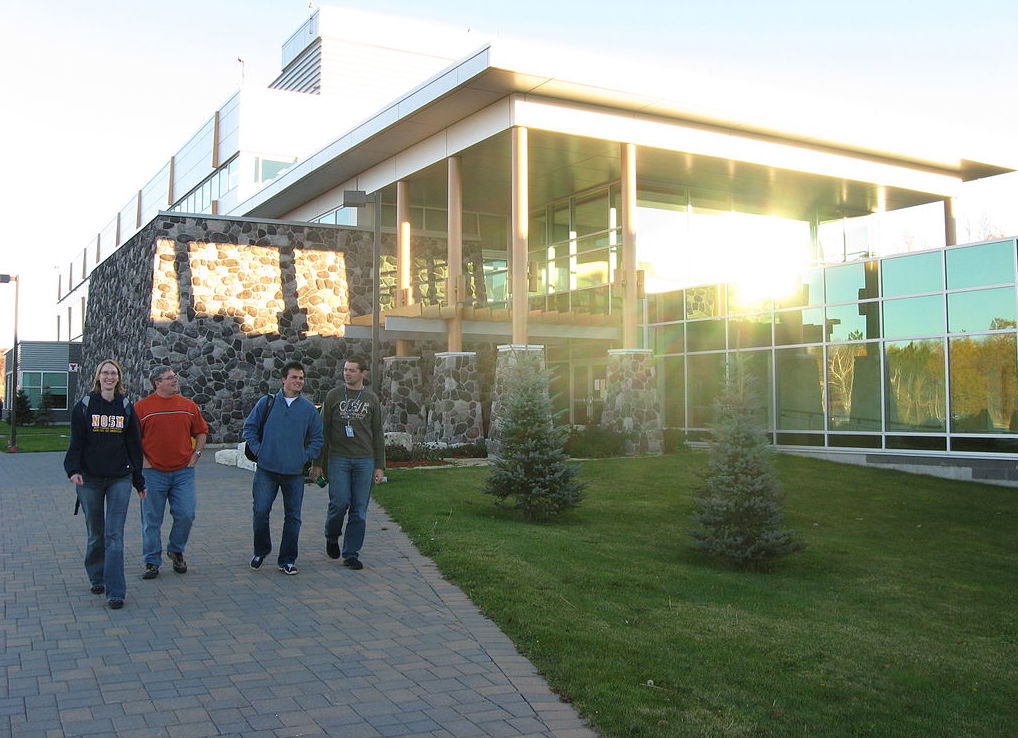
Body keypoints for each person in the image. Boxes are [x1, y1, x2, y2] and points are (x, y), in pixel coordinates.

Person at [63, 359, 147, 610]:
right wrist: (73, 470)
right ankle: (96, 576)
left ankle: (116, 592)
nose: (109, 377)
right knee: (96, 534)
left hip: (119, 478)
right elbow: (76, 442)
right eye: (105, 373)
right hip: (89, 480)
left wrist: (138, 480)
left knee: (114, 535)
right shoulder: (85, 406)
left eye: (114, 373)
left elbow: (134, 446)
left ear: (119, 378)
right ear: (98, 377)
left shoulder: (126, 407)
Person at [243, 361, 323, 575]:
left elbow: (317, 438)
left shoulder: (308, 409)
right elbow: (249, 428)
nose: (298, 381)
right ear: (283, 380)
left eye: (301, 378)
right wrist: (259, 449)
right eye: (294, 377)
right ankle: (261, 551)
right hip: (266, 470)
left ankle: (287, 559)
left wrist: (305, 456)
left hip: (294, 473)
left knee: (293, 517)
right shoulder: (266, 403)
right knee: (260, 512)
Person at [310, 355, 385, 571]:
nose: (347, 373)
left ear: (363, 373)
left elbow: (377, 433)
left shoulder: (371, 399)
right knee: (339, 503)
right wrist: (318, 463)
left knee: (359, 509)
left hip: (364, 460)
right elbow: (322, 431)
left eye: (352, 370)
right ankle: (332, 535)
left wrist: (379, 465)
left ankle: (351, 553)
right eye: (345, 370)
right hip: (339, 459)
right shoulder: (333, 396)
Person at [135, 367, 209, 580]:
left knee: (186, 513)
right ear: (157, 383)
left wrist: (196, 456)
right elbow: (132, 439)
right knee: (151, 519)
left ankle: (176, 550)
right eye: (169, 378)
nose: (174, 381)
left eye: (175, 377)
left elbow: (201, 432)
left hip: (183, 473)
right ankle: (151, 561)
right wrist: (144, 462)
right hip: (152, 474)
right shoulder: (141, 408)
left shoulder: (188, 406)